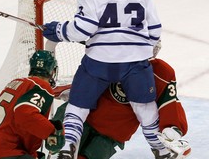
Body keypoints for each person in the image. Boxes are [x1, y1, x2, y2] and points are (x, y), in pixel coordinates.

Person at [42, 0, 163, 158]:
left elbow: (83, 29)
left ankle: (68, 147)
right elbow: (155, 31)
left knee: (78, 105)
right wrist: (138, 48)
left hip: (100, 62)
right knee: (144, 105)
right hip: (135, 62)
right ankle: (160, 149)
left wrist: (59, 30)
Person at [53, 57, 191, 159]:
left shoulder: (162, 73)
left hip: (110, 134)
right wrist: (75, 90)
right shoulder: (112, 56)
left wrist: (174, 128)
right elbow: (92, 80)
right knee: (59, 149)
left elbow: (169, 102)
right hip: (85, 118)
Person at [0, 50, 65, 159]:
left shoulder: (16, 82)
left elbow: (14, 118)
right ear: (52, 71)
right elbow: (25, 114)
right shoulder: (42, 87)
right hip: (2, 152)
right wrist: (51, 132)